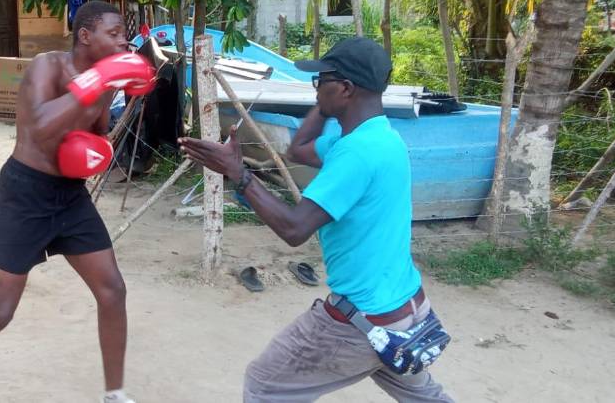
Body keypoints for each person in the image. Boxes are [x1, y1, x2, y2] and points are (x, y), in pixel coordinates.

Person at [179, 37, 453, 402]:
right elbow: (299, 150)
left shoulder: (355, 154)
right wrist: (325, 105)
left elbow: (294, 228)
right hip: (406, 311)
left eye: (320, 81)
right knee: (426, 397)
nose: (314, 88)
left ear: (346, 89)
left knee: (264, 386)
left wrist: (239, 174)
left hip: (362, 322)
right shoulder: (381, 139)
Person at [0, 0, 155, 403]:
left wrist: (100, 142)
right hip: (24, 194)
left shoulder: (106, 82)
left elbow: (96, 134)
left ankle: (114, 394)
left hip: (70, 196)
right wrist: (96, 81)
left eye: (125, 34)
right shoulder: (47, 67)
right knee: (0, 310)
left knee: (112, 291)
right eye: (115, 33)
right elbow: (41, 128)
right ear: (85, 35)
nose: (125, 41)